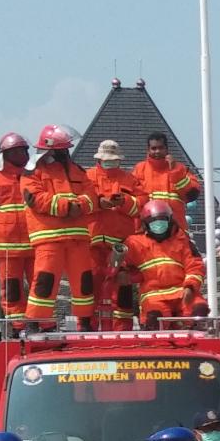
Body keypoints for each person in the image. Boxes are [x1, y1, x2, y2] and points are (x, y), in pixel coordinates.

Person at [21, 124, 97, 329]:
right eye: (62, 149)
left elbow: (92, 198)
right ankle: (36, 322)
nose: (66, 152)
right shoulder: (32, 172)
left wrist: (79, 206)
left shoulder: (77, 171)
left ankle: (86, 322)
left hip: (78, 238)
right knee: (45, 282)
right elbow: (35, 199)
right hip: (48, 238)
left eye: (67, 149)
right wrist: (67, 207)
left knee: (83, 283)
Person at [119, 202, 208, 329]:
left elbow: (195, 266)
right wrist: (121, 271)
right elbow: (119, 258)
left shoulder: (181, 239)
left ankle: (189, 331)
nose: (159, 225)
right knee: (156, 317)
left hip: (182, 291)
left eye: (162, 220)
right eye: (154, 222)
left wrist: (190, 286)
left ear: (170, 220)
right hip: (153, 294)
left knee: (198, 309)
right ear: (145, 223)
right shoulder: (135, 243)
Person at [0, 133, 34, 331]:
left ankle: (43, 323)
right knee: (12, 289)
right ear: (5, 155)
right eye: (15, 151)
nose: (20, 154)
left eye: (23, 150)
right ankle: (18, 326)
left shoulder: (34, 177)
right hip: (7, 246)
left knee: (42, 286)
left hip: (35, 242)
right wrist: (1, 228)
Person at [85, 139, 141, 329]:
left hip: (120, 247)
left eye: (113, 160)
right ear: (98, 159)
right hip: (91, 246)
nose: (109, 163)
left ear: (119, 160)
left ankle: (122, 332)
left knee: (121, 292)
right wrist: (98, 202)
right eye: (106, 160)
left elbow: (142, 206)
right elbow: (78, 202)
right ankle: (86, 330)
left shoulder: (130, 180)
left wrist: (123, 202)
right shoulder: (86, 177)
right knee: (88, 291)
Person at [131, 132, 202, 233]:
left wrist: (175, 172)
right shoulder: (139, 169)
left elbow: (193, 194)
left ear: (167, 149)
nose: (157, 151)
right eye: (154, 148)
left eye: (161, 148)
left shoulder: (179, 168)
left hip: (175, 231)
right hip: (147, 231)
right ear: (148, 150)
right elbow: (132, 201)